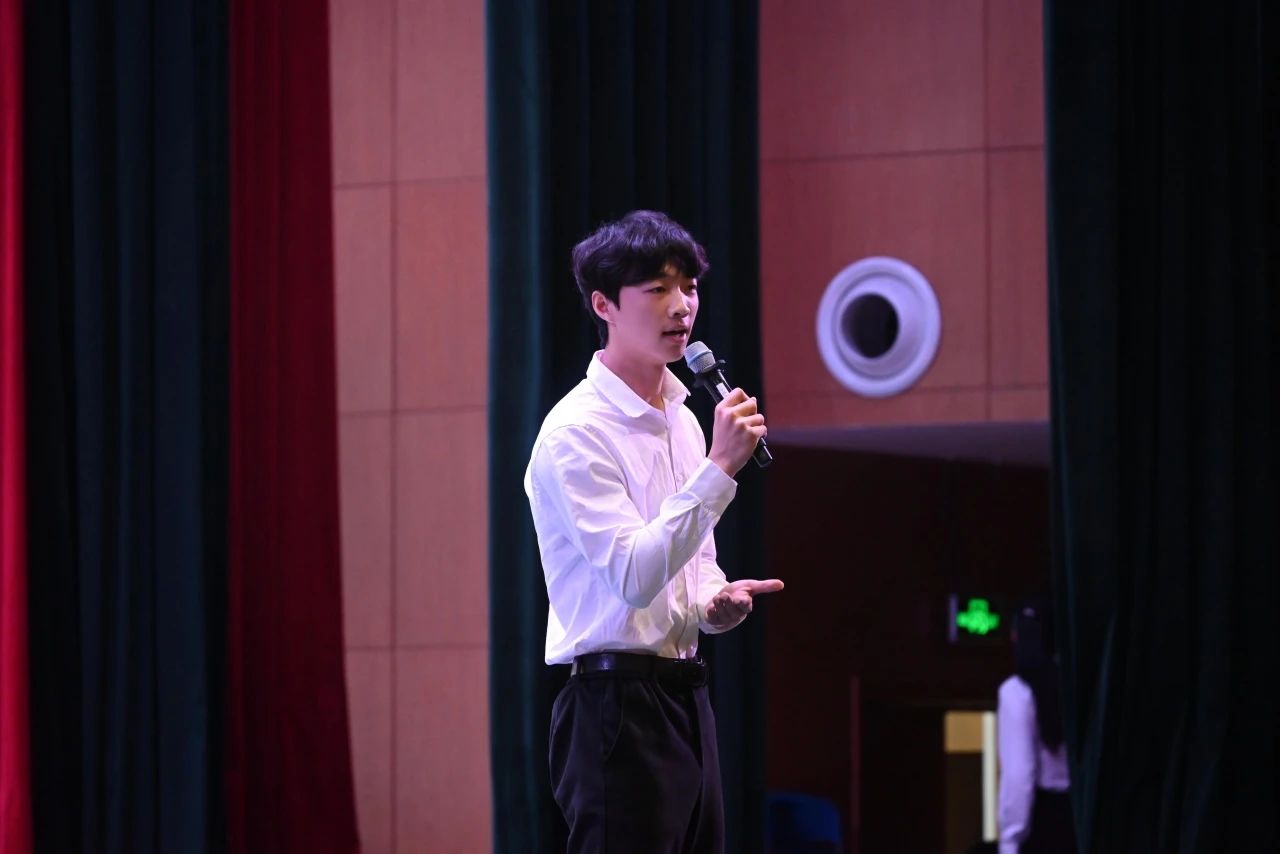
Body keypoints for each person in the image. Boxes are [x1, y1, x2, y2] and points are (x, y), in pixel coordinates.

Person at [524, 210, 784, 853]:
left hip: (684, 694)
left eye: (689, 287)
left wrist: (714, 601)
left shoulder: (685, 419)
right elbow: (635, 576)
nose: (682, 306)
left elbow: (693, 562)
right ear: (604, 305)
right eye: (658, 289)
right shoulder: (576, 432)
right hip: (612, 705)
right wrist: (721, 467)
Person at [997, 598, 1076, 853]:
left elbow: (1019, 775)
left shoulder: (1016, 691)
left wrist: (1010, 840)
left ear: (1016, 636)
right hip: (1081, 817)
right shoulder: (1078, 685)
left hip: (1044, 822)